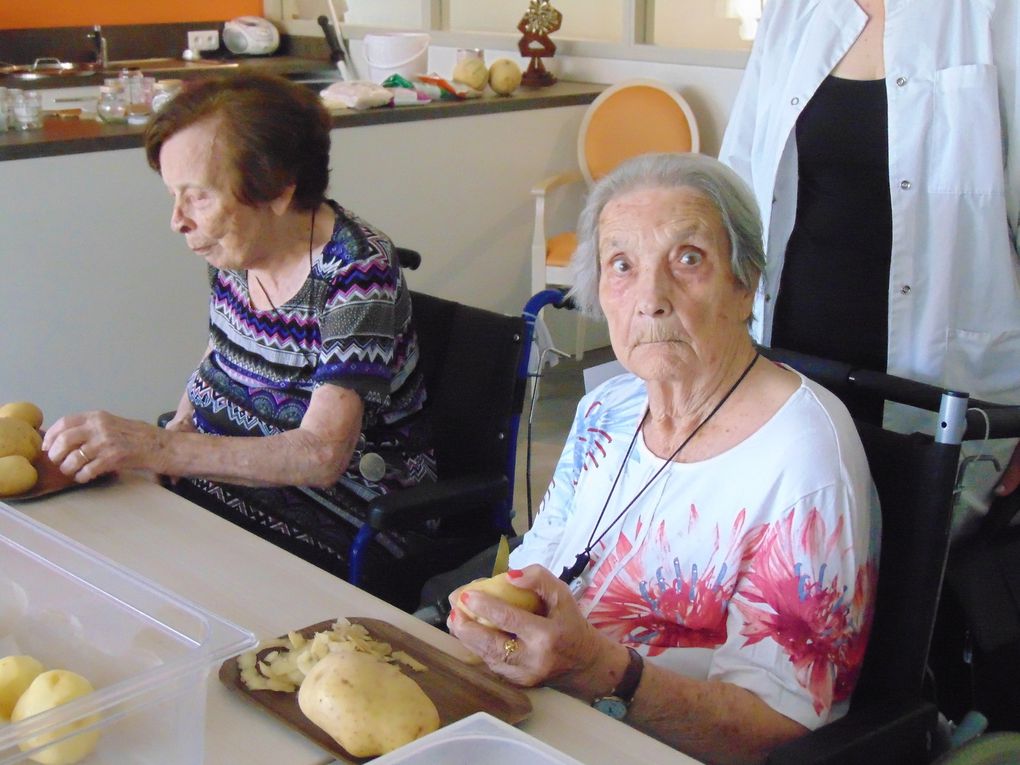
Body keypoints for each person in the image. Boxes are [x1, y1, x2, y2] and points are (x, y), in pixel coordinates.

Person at [447, 153, 880, 765]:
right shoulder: (608, 407)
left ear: (745, 280)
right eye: (622, 265)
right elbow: (536, 568)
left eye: (688, 258)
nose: (650, 298)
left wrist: (602, 670)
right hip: (537, 724)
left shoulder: (804, 457)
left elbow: (781, 734)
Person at [41, 74, 436, 608]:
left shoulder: (356, 272)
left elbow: (321, 457)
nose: (177, 221)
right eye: (174, 196)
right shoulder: (238, 246)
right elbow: (220, 354)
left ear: (277, 189)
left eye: (198, 197)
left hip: (340, 516)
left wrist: (158, 446)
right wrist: (176, 429)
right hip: (217, 488)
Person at [717, 0, 1020, 536]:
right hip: (793, 358)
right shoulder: (795, 11)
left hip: (936, 376)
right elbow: (736, 188)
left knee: (915, 572)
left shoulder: (994, 13)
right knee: (795, 567)